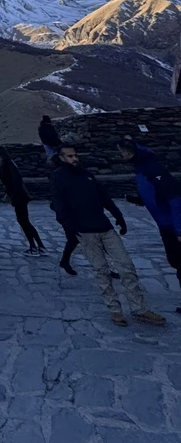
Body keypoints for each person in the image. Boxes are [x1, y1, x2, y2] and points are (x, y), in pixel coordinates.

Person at [50, 144, 166, 327]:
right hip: (85, 232)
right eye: (70, 156)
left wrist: (118, 216)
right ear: (62, 158)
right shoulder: (58, 177)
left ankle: (140, 309)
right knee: (101, 271)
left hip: (104, 227)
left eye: (75, 155)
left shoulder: (86, 174)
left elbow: (104, 197)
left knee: (126, 266)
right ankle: (115, 311)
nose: (75, 159)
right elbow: (59, 204)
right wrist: (70, 227)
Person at [118, 137, 181, 312]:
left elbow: (175, 199)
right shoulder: (142, 167)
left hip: (172, 225)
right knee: (176, 261)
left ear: (129, 151)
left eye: (122, 152)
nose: (120, 155)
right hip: (166, 224)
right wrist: (139, 200)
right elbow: (155, 195)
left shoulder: (152, 169)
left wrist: (179, 229)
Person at [0, 150, 45, 253]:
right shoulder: (11, 163)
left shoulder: (6, 165)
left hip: (18, 197)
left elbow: (9, 182)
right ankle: (39, 245)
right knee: (25, 222)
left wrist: (9, 194)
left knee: (24, 222)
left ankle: (34, 246)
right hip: (21, 196)